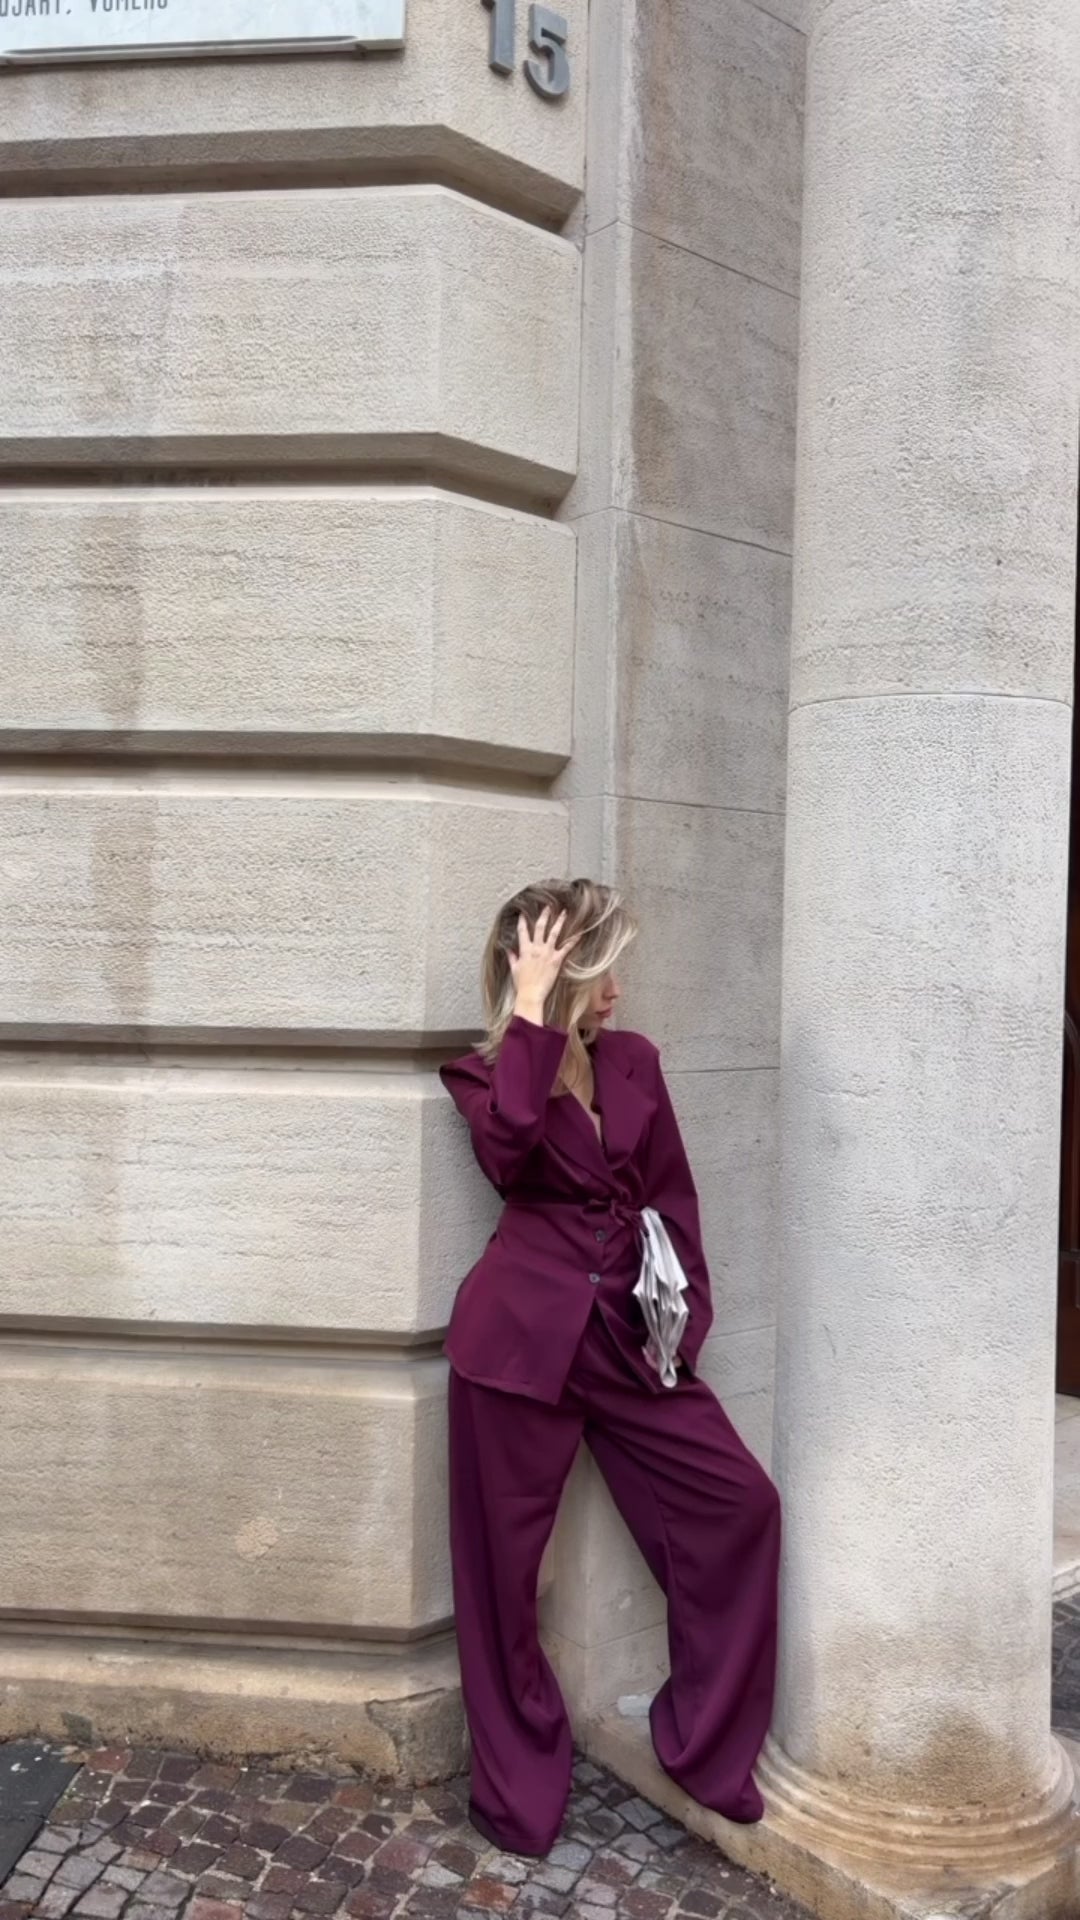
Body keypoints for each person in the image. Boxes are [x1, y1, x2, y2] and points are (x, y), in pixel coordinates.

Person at [440, 877, 781, 1858]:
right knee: (501, 1580)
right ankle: (519, 1788)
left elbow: (672, 1194)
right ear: (554, 976)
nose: (619, 991)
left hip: (631, 1343)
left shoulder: (635, 1063)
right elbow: (509, 1155)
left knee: (741, 1505)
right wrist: (533, 1015)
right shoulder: (483, 1075)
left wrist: (685, 1327)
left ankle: (704, 1746)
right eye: (599, 972)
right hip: (516, 1350)